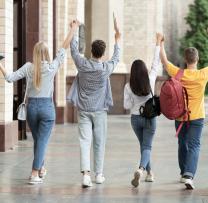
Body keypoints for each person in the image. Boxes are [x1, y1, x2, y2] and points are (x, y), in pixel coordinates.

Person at [0, 21, 78, 185]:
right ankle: (35, 173)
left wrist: (0, 64)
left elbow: (9, 78)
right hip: (47, 109)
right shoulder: (52, 67)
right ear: (47, 53)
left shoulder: (29, 67)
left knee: (38, 140)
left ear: (35, 53)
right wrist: (72, 30)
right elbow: (64, 48)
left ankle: (41, 169)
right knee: (42, 141)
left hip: (32, 109)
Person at [159, 32, 208, 190]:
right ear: (197, 59)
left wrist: (160, 43)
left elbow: (165, 62)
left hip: (180, 116)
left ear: (185, 60)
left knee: (182, 144)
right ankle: (188, 175)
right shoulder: (202, 75)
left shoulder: (178, 74)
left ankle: (183, 173)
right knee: (194, 145)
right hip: (197, 117)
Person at [68, 19, 121, 188]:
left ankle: (86, 176)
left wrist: (75, 30)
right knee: (99, 142)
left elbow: (74, 50)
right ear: (103, 53)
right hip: (99, 111)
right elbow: (116, 58)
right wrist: (117, 38)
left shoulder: (82, 64)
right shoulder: (105, 68)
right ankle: (98, 174)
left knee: (85, 141)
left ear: (91, 51)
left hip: (83, 110)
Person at [123, 33, 162, 188]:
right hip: (150, 118)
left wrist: (133, 101)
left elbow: (126, 106)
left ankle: (149, 173)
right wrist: (158, 43)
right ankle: (141, 169)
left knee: (144, 145)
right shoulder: (151, 79)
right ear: (145, 70)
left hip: (135, 119)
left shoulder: (128, 86)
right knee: (147, 146)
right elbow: (155, 63)